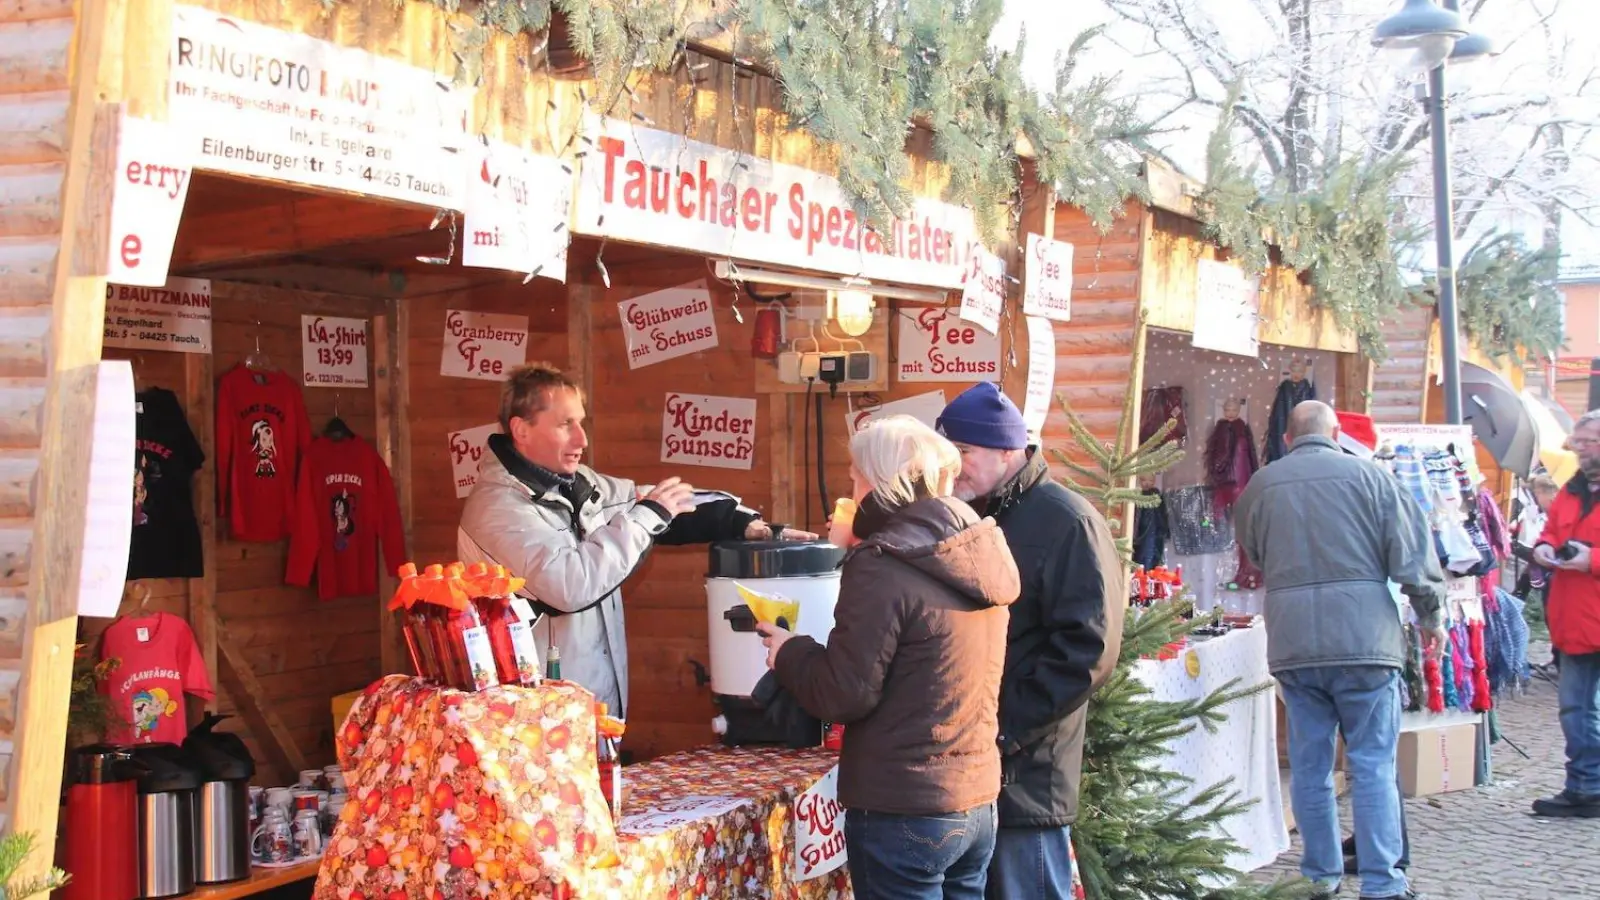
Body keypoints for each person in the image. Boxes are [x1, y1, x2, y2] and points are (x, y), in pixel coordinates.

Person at [755, 416, 1019, 900]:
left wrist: (789, 651)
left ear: (878, 482)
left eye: (855, 478)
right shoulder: (977, 550)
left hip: (905, 805)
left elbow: (844, 692)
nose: (850, 491)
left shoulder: (882, 563)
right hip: (976, 797)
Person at [458, 364, 810, 714]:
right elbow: (569, 586)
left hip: (583, 709)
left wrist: (740, 521)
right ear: (521, 430)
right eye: (566, 424)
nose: (582, 439)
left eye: (582, 422)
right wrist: (649, 516)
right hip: (528, 721)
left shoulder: (577, 483)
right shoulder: (496, 509)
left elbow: (654, 504)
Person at [1234, 400, 1445, 900]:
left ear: (1287, 438)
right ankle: (1382, 883)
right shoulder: (1372, 479)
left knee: (1310, 765)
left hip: (1294, 642)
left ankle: (1319, 876)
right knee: (1372, 763)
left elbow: (1255, 553)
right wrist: (1431, 614)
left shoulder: (1261, 485)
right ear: (1335, 433)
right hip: (1366, 639)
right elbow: (1411, 556)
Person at [933, 382, 1125, 899]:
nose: (953, 469)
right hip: (967, 770)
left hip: (1028, 776)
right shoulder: (967, 513)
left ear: (1007, 450)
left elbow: (1088, 651)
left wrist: (1004, 728)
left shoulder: (1069, 522)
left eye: (964, 454)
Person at [1528, 410, 1600, 819]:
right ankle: (1585, 786)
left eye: (1588, 442)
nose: (1579, 448)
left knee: (1582, 707)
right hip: (1574, 617)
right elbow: (1553, 530)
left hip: (1588, 608)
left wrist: (1592, 560)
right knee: (1575, 708)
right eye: (1578, 441)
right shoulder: (1572, 491)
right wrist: (1545, 548)